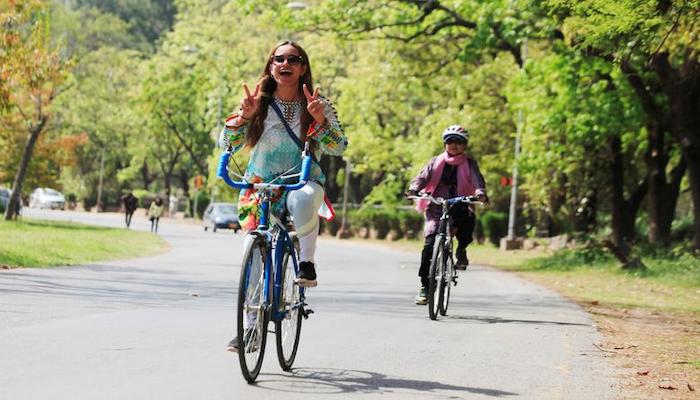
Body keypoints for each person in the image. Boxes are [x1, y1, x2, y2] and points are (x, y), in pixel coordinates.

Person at [219, 41, 347, 351]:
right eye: (279, 58)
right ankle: (250, 328)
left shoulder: (318, 103)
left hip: (303, 182)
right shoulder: (256, 103)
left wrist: (321, 120)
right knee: (253, 256)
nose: (285, 63)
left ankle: (306, 264)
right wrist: (243, 117)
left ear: (303, 67)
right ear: (271, 66)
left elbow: (339, 147)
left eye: (293, 58)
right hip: (260, 186)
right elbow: (227, 142)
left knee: (301, 201)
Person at [406, 125, 488, 305]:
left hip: (460, 204)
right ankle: (425, 288)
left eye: (458, 142)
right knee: (429, 246)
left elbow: (477, 181)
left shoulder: (469, 164)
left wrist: (480, 193)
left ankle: (461, 250)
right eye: (450, 141)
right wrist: (414, 188)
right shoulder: (435, 161)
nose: (453, 145)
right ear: (444, 143)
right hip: (436, 205)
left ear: (464, 145)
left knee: (467, 223)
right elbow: (422, 178)